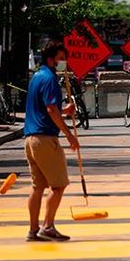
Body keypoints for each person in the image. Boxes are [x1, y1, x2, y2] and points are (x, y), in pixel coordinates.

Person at [24, 41, 79, 242]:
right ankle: (47, 226)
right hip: (45, 138)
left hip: (30, 138)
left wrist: (65, 110)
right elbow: (51, 109)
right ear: (50, 59)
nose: (63, 63)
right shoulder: (49, 79)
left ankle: (33, 229)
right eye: (61, 59)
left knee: (37, 187)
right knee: (58, 185)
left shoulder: (37, 77)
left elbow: (47, 108)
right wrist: (69, 134)